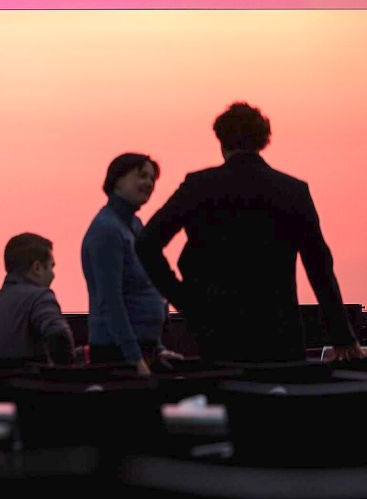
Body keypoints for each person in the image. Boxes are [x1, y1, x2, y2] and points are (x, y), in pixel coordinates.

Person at [136, 102, 362, 363]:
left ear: (221, 141)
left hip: (216, 330)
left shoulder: (198, 186)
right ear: (263, 141)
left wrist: (185, 300)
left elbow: (146, 243)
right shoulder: (293, 191)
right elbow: (319, 266)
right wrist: (341, 335)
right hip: (279, 331)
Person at [81, 153, 178, 376]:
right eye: (141, 175)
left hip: (144, 350)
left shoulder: (134, 225)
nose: (149, 183)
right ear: (117, 180)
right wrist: (134, 358)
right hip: (117, 354)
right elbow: (110, 299)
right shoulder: (107, 230)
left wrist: (158, 349)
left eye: (152, 178)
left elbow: (146, 287)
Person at [0, 233, 74, 364]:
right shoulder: (39, 297)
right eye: (51, 266)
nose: (53, 275)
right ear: (37, 268)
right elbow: (59, 335)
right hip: (30, 382)